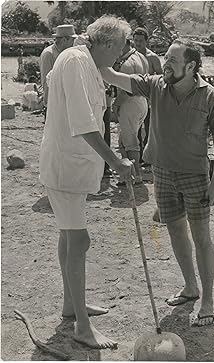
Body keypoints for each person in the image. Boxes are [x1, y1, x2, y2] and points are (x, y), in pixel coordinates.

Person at [100, 38, 214, 327]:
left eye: (172, 59)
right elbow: (111, 76)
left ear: (191, 65)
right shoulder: (155, 84)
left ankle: (207, 300)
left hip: (195, 176)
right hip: (161, 173)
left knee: (201, 238)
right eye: (166, 58)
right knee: (175, 232)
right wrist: (96, 47)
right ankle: (190, 287)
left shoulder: (211, 97)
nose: (165, 63)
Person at [39, 16, 134, 349]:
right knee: (79, 241)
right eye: (120, 48)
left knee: (70, 237)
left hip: (72, 166)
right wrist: (116, 161)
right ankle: (81, 326)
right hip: (66, 164)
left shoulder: (83, 61)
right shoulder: (77, 60)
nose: (120, 55)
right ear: (107, 43)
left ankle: (71, 304)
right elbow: (83, 122)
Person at [112, 38, 149, 186]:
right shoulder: (140, 57)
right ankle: (129, 174)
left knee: (130, 141)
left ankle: (136, 174)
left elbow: (128, 89)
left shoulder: (127, 64)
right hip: (142, 102)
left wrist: (116, 104)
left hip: (130, 103)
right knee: (125, 139)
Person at [132, 27, 162, 164]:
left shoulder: (152, 58)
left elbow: (161, 77)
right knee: (135, 128)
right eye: (135, 40)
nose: (137, 43)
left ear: (146, 41)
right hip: (134, 97)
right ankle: (138, 156)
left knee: (150, 127)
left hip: (149, 98)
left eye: (140, 41)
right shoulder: (130, 56)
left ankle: (149, 156)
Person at [40, 25, 77, 118]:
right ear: (65, 40)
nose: (74, 43)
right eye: (72, 40)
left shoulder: (65, 52)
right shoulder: (49, 54)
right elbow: (47, 82)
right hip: (54, 104)